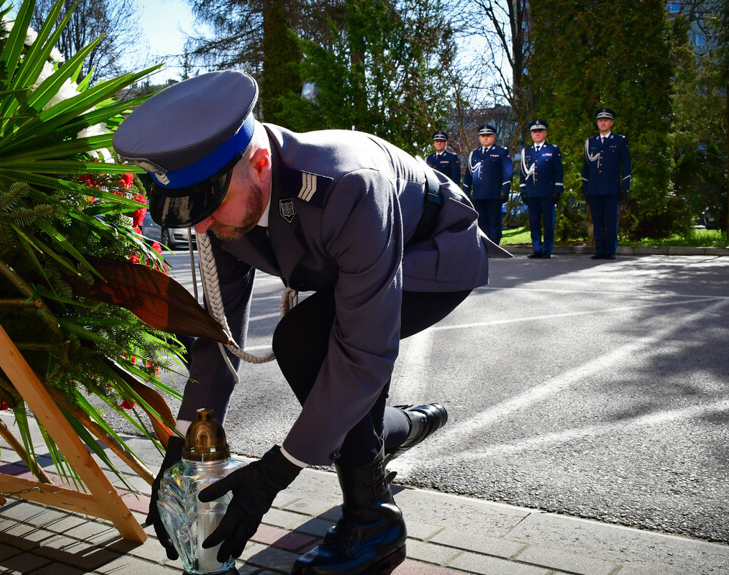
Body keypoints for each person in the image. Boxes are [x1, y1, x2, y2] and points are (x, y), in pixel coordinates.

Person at [113, 70, 508, 575]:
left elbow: (364, 353)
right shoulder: (220, 206)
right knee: (336, 383)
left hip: (432, 254)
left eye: (209, 207)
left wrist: (279, 468)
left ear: (259, 164)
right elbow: (218, 337)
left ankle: (375, 524)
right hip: (354, 261)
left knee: (304, 341)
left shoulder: (346, 184)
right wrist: (182, 447)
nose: (201, 226)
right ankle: (405, 425)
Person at [581, 108, 631, 260]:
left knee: (611, 221)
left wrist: (625, 186)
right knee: (597, 221)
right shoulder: (590, 142)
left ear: (611, 123)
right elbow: (586, 166)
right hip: (594, 188)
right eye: (600, 120)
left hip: (611, 188)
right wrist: (585, 187)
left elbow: (626, 164)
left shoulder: (620, 141)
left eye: (605, 120)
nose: (602, 123)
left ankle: (610, 251)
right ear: (597, 123)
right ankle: (600, 250)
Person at [519, 119, 564, 259]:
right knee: (534, 223)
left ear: (545, 133)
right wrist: (523, 190)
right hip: (532, 193)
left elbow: (558, 171)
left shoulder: (552, 149)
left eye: (540, 131)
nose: (537, 134)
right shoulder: (526, 151)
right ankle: (537, 248)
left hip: (547, 193)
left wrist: (557, 190)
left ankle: (547, 250)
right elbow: (522, 172)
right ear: (531, 134)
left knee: (548, 223)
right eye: (534, 132)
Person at [462, 124, 513, 245]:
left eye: (488, 135)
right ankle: (484, 246)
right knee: (481, 222)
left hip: (494, 194)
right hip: (478, 195)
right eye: (483, 136)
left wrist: (505, 190)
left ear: (494, 137)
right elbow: (468, 175)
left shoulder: (502, 152)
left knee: (494, 222)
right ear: (479, 138)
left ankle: (494, 245)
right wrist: (466, 192)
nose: (485, 138)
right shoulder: (474, 154)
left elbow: (507, 173)